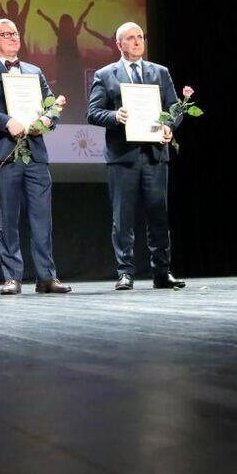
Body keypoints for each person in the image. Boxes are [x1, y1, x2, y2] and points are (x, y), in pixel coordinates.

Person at [0, 18, 70, 295]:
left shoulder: (34, 71)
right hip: (3, 153)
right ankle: (12, 277)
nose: (14, 37)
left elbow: (51, 107)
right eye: (6, 34)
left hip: (35, 154)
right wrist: (7, 122)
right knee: (8, 218)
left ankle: (46, 277)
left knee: (42, 218)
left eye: (16, 33)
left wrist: (47, 120)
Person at [87, 22, 186, 291]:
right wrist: (115, 116)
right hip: (123, 157)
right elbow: (93, 112)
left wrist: (168, 126)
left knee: (158, 215)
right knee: (123, 218)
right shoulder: (105, 75)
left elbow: (175, 108)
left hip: (155, 155)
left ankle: (162, 273)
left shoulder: (160, 72)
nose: (137, 41)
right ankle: (125, 273)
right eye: (130, 38)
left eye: (140, 36)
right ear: (119, 44)